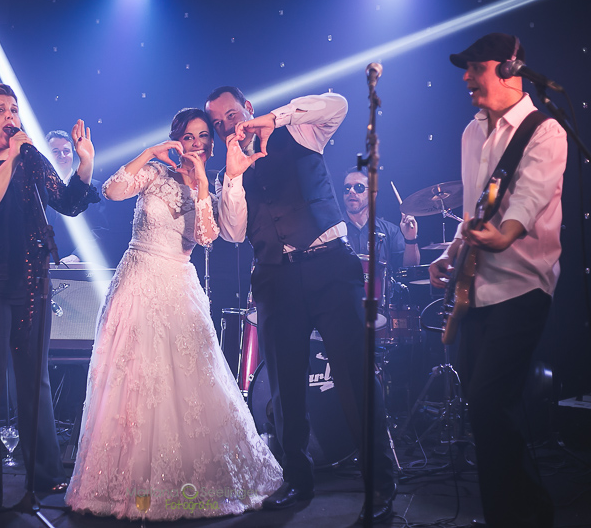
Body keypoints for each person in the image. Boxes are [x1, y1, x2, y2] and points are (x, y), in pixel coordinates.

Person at [65, 108, 283, 520]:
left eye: (203, 136)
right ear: (177, 139)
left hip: (177, 287)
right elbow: (111, 190)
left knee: (183, 381)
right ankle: (120, 485)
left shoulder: (211, 191)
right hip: (133, 282)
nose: (196, 143)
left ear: (211, 145)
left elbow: (206, 238)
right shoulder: (154, 175)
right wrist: (149, 152)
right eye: (188, 136)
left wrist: (201, 184)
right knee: (130, 380)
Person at [206, 86, 397, 521]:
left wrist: (277, 118)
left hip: (330, 265)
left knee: (355, 378)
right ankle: (297, 479)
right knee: (285, 386)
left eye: (231, 114)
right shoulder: (228, 174)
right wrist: (234, 176)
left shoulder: (301, 130)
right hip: (276, 278)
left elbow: (340, 104)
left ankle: (380, 482)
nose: (226, 126)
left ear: (248, 108)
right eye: (218, 123)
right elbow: (234, 233)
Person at [430, 33, 566, 528]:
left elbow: (526, 202)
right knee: (486, 411)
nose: (466, 78)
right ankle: (509, 516)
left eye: (476, 69)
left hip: (523, 286)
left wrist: (505, 234)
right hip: (477, 288)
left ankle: (530, 514)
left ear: (509, 70)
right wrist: (451, 253)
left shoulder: (545, 130)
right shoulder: (471, 133)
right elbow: (475, 211)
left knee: (490, 401)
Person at [0, 84, 99, 512]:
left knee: (35, 379)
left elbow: (68, 203)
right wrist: (13, 156)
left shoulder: (31, 163)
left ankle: (45, 479)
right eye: (0, 110)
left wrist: (84, 165)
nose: (10, 116)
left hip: (29, 281)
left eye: (14, 109)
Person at [46, 129, 113, 263]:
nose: (62, 155)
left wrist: (77, 256)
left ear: (72, 153)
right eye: (55, 151)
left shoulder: (92, 187)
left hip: (76, 265)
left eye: (66, 151)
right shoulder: (37, 186)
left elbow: (100, 230)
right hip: (40, 265)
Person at [342, 168, 420, 271]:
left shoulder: (391, 231)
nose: (351, 191)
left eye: (358, 187)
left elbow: (410, 268)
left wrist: (410, 238)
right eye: (347, 188)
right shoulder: (333, 231)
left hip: (381, 287)